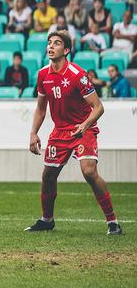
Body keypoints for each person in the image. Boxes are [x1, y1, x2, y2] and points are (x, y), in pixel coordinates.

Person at [27, 30, 121, 235]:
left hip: (82, 128)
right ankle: (47, 220)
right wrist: (33, 133)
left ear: (66, 50)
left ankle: (113, 222)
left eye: (57, 43)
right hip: (59, 132)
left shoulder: (78, 75)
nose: (51, 46)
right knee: (48, 176)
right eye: (49, 43)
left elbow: (98, 107)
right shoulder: (43, 74)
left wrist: (85, 125)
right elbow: (41, 108)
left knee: (88, 171)